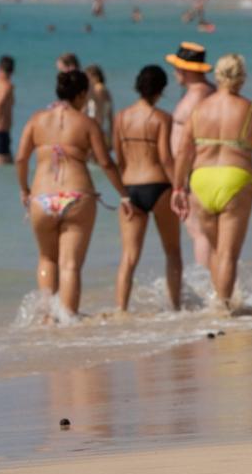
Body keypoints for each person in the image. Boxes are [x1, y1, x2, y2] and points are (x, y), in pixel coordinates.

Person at [172, 54, 252, 312]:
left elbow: (183, 151)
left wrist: (178, 188)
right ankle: (222, 308)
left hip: (201, 180)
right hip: (235, 178)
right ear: (242, 78)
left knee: (215, 249)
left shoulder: (199, 109)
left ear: (217, 76)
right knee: (228, 254)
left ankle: (219, 301)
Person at [15, 70, 132, 317]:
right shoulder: (86, 123)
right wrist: (124, 194)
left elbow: (21, 158)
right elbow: (106, 163)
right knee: (70, 266)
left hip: (41, 198)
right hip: (77, 197)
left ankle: (47, 319)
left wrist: (24, 188)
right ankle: (68, 322)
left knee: (47, 259)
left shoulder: (37, 120)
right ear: (81, 94)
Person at [113, 66, 181, 312]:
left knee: (128, 258)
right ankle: (175, 308)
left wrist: (122, 191)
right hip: (159, 186)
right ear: (161, 90)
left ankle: (121, 310)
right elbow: (165, 158)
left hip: (130, 187)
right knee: (172, 252)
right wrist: (179, 189)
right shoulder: (162, 118)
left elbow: (118, 158)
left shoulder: (120, 117)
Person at [166, 42, 217, 269]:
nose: (174, 72)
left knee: (199, 231)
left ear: (185, 70)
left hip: (194, 171)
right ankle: (220, 285)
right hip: (207, 168)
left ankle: (208, 285)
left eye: (177, 68)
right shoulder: (211, 92)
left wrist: (180, 183)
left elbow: (189, 143)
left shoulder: (196, 98)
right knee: (210, 232)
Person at [84, 65, 114, 152]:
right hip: (103, 130)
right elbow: (109, 115)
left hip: (97, 130)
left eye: (87, 77)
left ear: (95, 77)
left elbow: (98, 112)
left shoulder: (98, 89)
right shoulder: (105, 90)